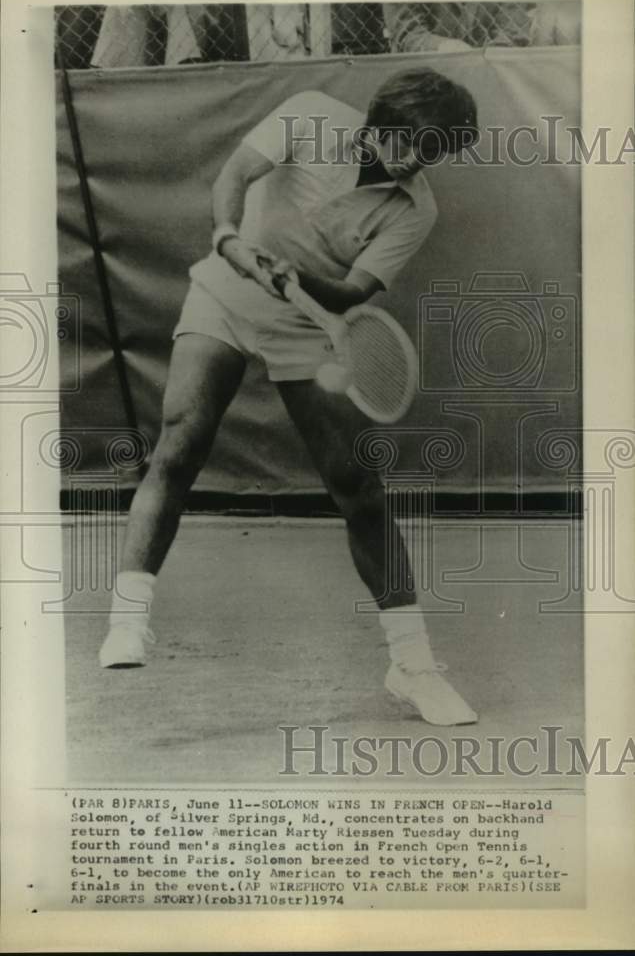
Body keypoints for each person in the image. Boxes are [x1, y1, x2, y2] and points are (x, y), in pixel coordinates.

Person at [99, 67, 479, 726]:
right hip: (223, 293)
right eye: (414, 141)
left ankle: (412, 666)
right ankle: (127, 621)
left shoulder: (416, 209)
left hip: (309, 325)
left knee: (358, 487)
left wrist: (296, 276)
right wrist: (228, 238)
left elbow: (353, 292)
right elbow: (234, 176)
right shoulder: (309, 114)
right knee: (180, 444)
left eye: (435, 151)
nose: (419, 160)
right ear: (383, 121)